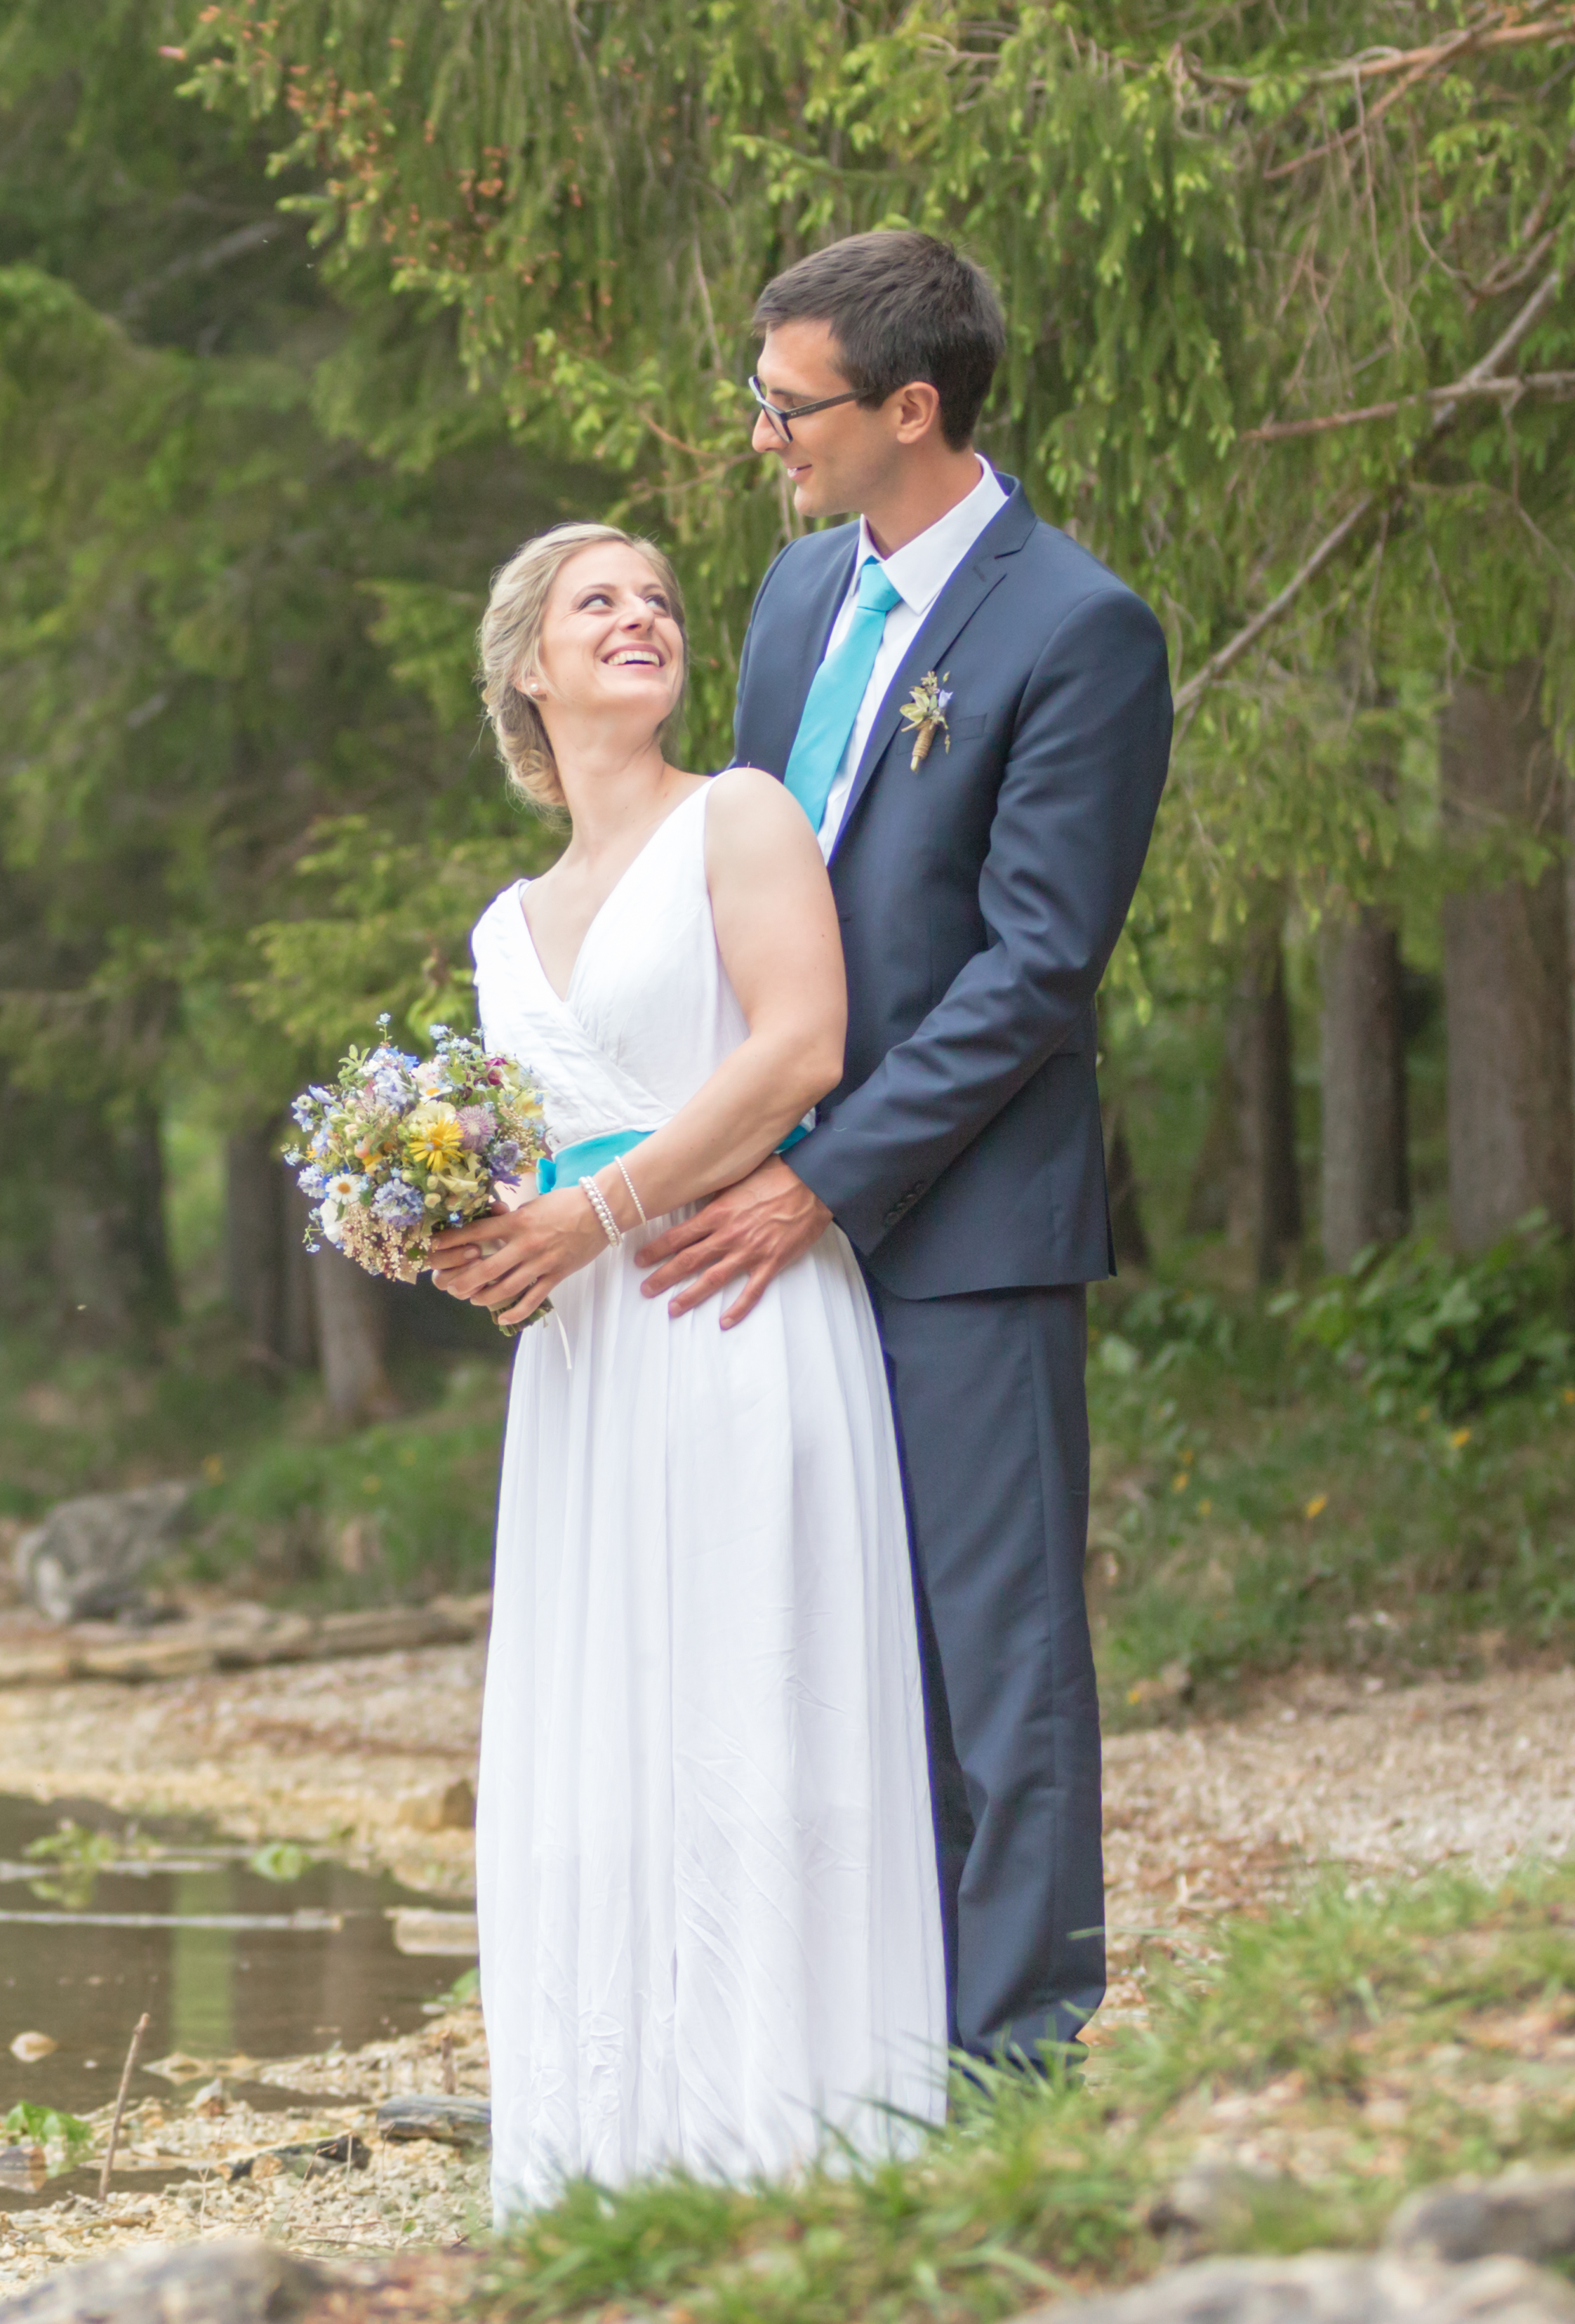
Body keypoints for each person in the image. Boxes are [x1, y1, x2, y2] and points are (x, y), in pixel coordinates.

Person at [637, 231, 1172, 2072]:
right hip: (775, 1213)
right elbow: (746, 883)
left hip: (964, 1228)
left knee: (990, 1662)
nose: (765, 436)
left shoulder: (1078, 629)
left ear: (913, 410)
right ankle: (844, 2037)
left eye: (790, 407)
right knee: (816, 1638)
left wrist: (830, 1177)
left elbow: (1039, 969)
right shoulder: (796, 601)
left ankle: (1015, 2056)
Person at [427, 523, 944, 2208]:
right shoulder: (507, 927)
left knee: (748, 1703)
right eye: (600, 602)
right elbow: (536, 1142)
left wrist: (614, 1211)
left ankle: (787, 2146)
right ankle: (608, 2160)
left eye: (657, 600)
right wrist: (466, 1226)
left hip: (730, 1308)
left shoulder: (743, 814)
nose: (641, 617)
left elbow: (804, 1048)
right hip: (582, 1366)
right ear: (529, 668)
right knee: (600, 1737)